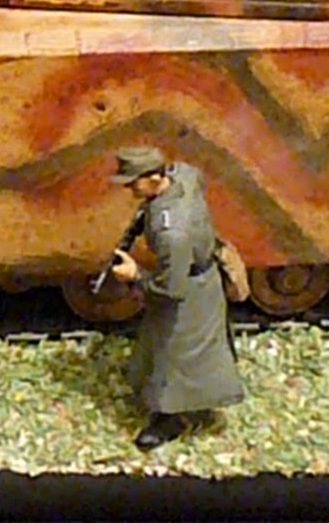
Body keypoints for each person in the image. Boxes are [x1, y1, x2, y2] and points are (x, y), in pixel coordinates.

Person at [107, 145, 244, 449]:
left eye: (133, 182)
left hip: (190, 292)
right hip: (199, 275)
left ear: (155, 178)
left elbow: (170, 289)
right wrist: (149, 213)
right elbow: (193, 178)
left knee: (177, 355)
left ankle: (171, 418)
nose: (129, 189)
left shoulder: (173, 234)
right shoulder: (183, 175)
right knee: (162, 343)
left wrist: (135, 275)